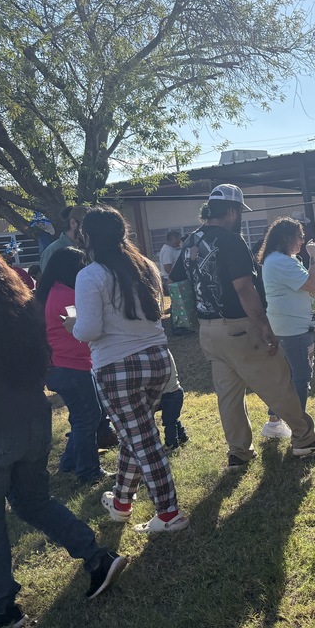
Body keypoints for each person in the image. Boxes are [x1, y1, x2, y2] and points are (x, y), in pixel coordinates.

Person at [0, 236, 126, 628]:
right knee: (32, 502)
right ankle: (96, 558)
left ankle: (1, 607)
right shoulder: (18, 301)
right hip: (32, 419)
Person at [169, 184, 315, 468]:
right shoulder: (231, 241)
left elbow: (174, 279)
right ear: (233, 211)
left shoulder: (190, 242)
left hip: (207, 330)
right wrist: (263, 324)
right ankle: (304, 437)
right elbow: (245, 288)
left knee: (229, 395)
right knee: (278, 381)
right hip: (238, 326)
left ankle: (239, 452)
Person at [67, 206, 188, 533]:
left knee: (143, 440)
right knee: (137, 435)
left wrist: (72, 326)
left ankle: (168, 514)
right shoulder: (146, 265)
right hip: (158, 359)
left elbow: (89, 330)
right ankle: (121, 502)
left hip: (118, 367)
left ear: (88, 236)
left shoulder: (90, 274)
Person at [34, 247, 110, 484]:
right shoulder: (66, 295)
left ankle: (69, 462)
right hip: (71, 368)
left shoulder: (49, 292)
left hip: (59, 367)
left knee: (81, 418)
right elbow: (89, 327)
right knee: (89, 418)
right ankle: (88, 472)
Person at [258, 217, 315, 435]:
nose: (303, 241)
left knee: (287, 376)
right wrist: (314, 257)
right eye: (299, 236)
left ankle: (274, 422)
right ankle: (300, 429)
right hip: (292, 329)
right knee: (301, 377)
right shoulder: (280, 261)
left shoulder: (283, 259)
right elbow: (312, 283)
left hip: (292, 326)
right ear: (285, 238)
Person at [39, 205, 88, 271]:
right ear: (73, 223)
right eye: (87, 224)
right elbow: (48, 280)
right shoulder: (52, 251)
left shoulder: (91, 249)